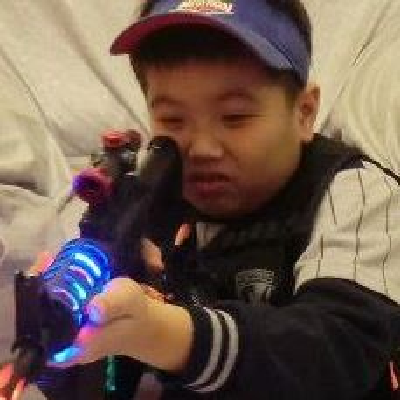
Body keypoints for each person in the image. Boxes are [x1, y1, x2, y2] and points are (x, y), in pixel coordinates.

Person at [41, 0, 400, 399]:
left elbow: (338, 351)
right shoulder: (155, 191)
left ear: (304, 113)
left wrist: (163, 333)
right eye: (173, 120)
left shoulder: (355, 192)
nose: (203, 148)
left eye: (234, 117)